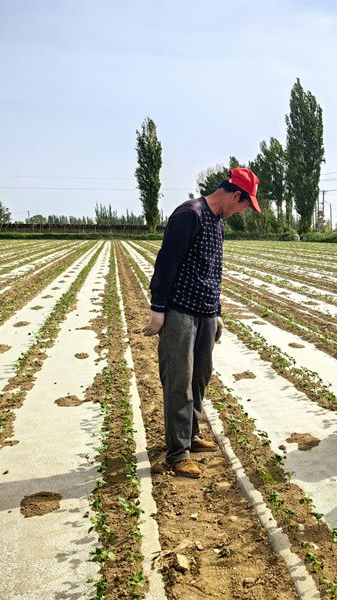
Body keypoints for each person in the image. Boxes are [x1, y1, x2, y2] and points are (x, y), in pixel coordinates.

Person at [143, 167, 261, 478]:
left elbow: (214, 270)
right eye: (243, 206)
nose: (240, 213)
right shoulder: (190, 214)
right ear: (236, 195)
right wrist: (158, 307)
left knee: (200, 378)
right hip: (180, 312)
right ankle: (177, 453)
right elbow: (166, 262)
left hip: (206, 313)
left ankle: (191, 436)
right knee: (179, 382)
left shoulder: (218, 224)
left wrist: (217, 310)